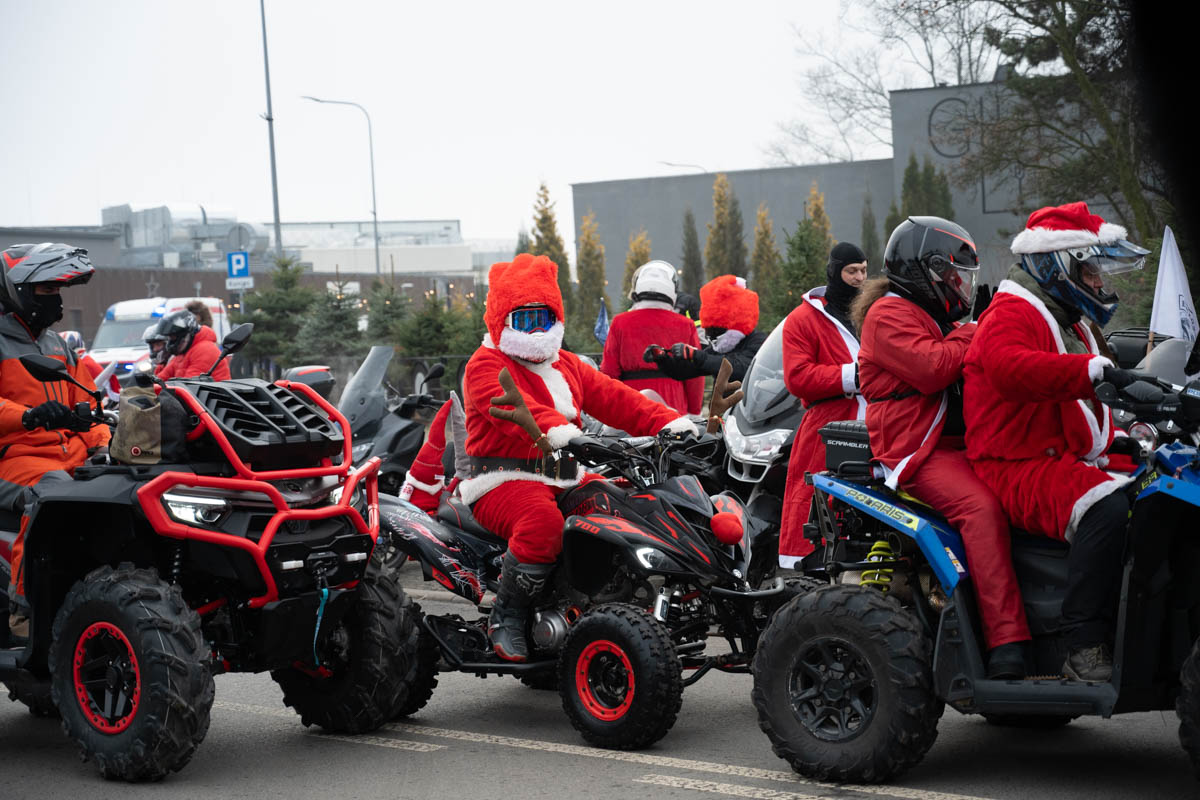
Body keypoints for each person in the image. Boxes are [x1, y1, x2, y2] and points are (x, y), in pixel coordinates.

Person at [461, 253, 697, 662]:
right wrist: (566, 435)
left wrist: (670, 424)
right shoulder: (485, 365)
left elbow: (618, 399)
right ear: (501, 322)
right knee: (541, 524)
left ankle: (604, 604)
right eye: (523, 320)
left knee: (627, 507)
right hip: (503, 476)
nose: (536, 330)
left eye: (543, 318)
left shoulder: (567, 364)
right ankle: (507, 616)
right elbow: (517, 413)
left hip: (564, 471)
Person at [964, 202, 1149, 682]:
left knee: (1152, 494)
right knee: (1105, 508)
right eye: (1089, 270)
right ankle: (1083, 643)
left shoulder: (1069, 319)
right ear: (1057, 265)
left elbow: (1089, 406)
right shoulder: (1010, 313)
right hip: (1013, 466)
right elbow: (1012, 370)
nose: (1097, 282)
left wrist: (1125, 436)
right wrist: (1090, 371)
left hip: (1054, 457)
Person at [856, 217, 1032, 679]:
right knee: (982, 509)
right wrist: (980, 327)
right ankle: (1006, 641)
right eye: (955, 273)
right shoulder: (888, 314)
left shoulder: (935, 315)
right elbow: (934, 368)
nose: (961, 284)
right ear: (926, 269)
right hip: (915, 449)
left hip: (958, 443)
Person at [1, 243, 110, 638]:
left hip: (69, 454)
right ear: (17, 291)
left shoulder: (57, 345)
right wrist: (27, 415)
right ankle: (24, 610)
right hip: (15, 458)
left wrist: (101, 444)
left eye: (58, 291)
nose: (56, 299)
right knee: (52, 493)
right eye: (46, 290)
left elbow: (89, 404)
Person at [778, 243, 869, 567]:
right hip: (827, 425)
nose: (859, 278)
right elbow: (797, 377)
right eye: (851, 271)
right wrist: (852, 376)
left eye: (863, 270)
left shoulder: (876, 311)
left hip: (878, 421)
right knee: (818, 500)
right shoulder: (803, 320)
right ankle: (811, 568)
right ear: (835, 272)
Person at [600, 261, 704, 415]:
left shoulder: (620, 322)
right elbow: (695, 376)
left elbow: (609, 371)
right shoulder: (686, 325)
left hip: (631, 400)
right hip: (673, 399)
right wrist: (694, 410)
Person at [651, 274, 766, 384]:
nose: (712, 336)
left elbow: (740, 368)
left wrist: (697, 355)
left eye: (716, 329)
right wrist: (662, 359)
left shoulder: (758, 342)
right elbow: (684, 371)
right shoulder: (719, 348)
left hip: (754, 403)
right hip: (725, 404)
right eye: (709, 330)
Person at [152, 309, 230, 380]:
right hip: (196, 395)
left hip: (212, 395)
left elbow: (189, 384)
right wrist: (147, 384)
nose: (170, 342)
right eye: (169, 338)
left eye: (173, 337)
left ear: (185, 335)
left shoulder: (205, 350)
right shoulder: (184, 352)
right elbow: (163, 376)